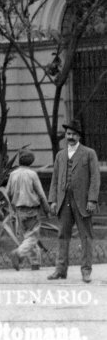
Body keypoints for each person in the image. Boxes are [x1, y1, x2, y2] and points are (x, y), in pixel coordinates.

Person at [47, 119, 100, 283]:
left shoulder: (89, 153)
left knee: (86, 236)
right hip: (64, 201)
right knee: (62, 235)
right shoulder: (60, 155)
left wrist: (92, 199)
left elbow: (95, 178)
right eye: (68, 134)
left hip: (83, 202)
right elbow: (55, 179)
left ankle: (86, 271)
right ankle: (60, 270)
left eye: (74, 134)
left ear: (79, 136)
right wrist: (53, 201)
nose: (70, 137)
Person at [6, 150, 50, 271]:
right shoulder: (32, 174)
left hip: (19, 210)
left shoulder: (13, 174)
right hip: (31, 210)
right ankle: (18, 253)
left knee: (27, 237)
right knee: (33, 237)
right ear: (31, 161)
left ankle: (35, 263)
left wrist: (12, 206)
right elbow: (41, 194)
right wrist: (47, 208)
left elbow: (8, 193)